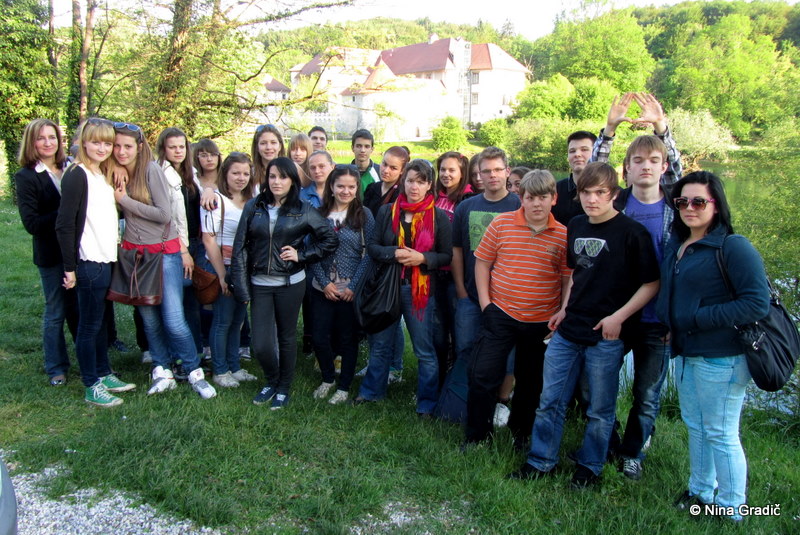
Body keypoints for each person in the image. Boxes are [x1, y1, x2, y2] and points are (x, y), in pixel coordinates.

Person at [509, 162, 660, 488]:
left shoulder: (632, 233)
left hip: (606, 334)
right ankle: (540, 461)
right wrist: (564, 309)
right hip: (568, 330)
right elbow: (577, 273)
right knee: (550, 401)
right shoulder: (576, 225)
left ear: (614, 194)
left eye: (600, 192)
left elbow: (651, 283)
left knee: (599, 409)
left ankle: (589, 468)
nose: (592, 199)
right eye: (586, 192)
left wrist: (618, 317)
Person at [656, 171, 768, 521]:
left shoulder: (733, 246)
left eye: (698, 201)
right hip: (687, 352)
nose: (689, 208)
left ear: (716, 205)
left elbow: (756, 303)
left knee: (720, 432)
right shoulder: (680, 243)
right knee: (696, 425)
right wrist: (673, 322)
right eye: (682, 202)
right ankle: (701, 491)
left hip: (723, 357)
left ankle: (732, 507)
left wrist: (696, 317)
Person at [592, 92, 683, 480]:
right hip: (616, 313)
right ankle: (609, 442)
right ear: (626, 169)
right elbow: (593, 176)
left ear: (663, 167)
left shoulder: (678, 206)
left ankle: (633, 454)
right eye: (638, 161)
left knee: (646, 394)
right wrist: (610, 130)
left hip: (658, 318)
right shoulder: (619, 204)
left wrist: (661, 127)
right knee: (599, 387)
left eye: (653, 160)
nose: (646, 166)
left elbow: (681, 172)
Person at [464, 170, 570, 448]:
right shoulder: (501, 224)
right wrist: (486, 304)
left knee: (531, 382)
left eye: (542, 197)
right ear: (521, 198)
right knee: (482, 375)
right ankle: (478, 436)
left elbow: (567, 278)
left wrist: (562, 311)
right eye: (530, 197)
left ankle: (521, 433)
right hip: (500, 313)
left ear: (553, 199)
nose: (536, 204)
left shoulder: (562, 235)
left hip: (541, 320)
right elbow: (482, 263)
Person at [113, 122, 216, 399]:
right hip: (135, 254)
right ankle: (162, 369)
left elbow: (164, 214)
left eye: (127, 146)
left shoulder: (151, 169)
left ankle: (193, 370)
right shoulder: (115, 170)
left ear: (140, 147)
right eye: (117, 146)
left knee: (173, 318)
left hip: (164, 252)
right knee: (149, 318)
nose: (121, 151)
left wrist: (124, 200)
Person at [229, 157, 337, 409]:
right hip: (260, 284)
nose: (277, 182)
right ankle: (272, 380)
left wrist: (302, 255)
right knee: (261, 344)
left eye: (283, 177)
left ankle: (284, 386)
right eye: (272, 176)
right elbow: (240, 247)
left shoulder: (303, 209)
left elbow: (329, 240)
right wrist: (242, 287)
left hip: (291, 283)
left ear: (292, 181)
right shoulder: (254, 206)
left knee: (287, 337)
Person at [354, 159, 453, 416]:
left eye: (421, 182)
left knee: (424, 349)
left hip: (419, 291)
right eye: (410, 181)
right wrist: (394, 253)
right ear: (403, 182)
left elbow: (446, 256)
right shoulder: (387, 211)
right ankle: (371, 391)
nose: (414, 187)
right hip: (387, 287)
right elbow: (373, 247)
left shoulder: (438, 217)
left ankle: (427, 402)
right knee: (380, 344)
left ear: (429, 185)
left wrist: (422, 258)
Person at [55, 118, 135, 406]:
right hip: (88, 260)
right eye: (96, 142)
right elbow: (64, 224)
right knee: (88, 326)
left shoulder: (100, 172)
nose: (102, 148)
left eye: (107, 143)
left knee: (100, 322)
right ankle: (92, 384)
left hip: (106, 257)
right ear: (83, 142)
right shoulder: (76, 174)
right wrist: (69, 268)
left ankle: (103, 372)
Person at [16, 119, 79, 386]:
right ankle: (56, 367)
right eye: (41, 138)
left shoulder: (71, 167)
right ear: (31, 142)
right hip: (51, 254)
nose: (48, 143)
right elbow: (32, 224)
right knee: (56, 311)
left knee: (79, 309)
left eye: (52, 137)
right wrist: (66, 210)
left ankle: (89, 362)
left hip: (79, 251)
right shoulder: (27, 176)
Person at [309, 165, 375, 404]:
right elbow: (311, 251)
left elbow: (369, 254)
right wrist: (324, 282)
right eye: (340, 186)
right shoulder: (318, 213)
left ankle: (344, 386)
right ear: (332, 187)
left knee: (348, 338)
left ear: (357, 188)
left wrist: (353, 286)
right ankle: (328, 378)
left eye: (351, 187)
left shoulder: (364, 215)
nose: (346, 191)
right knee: (319, 336)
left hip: (350, 288)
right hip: (322, 287)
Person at [452, 147, 520, 370]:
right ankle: (464, 390)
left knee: (506, 356)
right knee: (465, 349)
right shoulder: (466, 207)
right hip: (470, 296)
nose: (492, 175)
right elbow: (457, 250)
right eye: (487, 171)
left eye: (498, 170)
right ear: (479, 174)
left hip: (507, 300)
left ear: (507, 171)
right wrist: (461, 290)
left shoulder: (519, 206)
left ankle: (500, 392)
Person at [200, 152, 259, 388]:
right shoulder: (216, 200)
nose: (241, 177)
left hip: (244, 269)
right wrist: (222, 275)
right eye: (236, 172)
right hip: (223, 266)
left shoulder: (253, 199)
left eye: (245, 173)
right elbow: (209, 239)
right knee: (222, 321)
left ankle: (235, 366)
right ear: (225, 173)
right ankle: (220, 370)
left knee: (238, 321)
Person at [156, 127, 203, 364]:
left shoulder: (189, 173)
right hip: (176, 246)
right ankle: (178, 356)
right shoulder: (161, 174)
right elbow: (168, 218)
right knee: (176, 304)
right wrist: (183, 250)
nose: (178, 151)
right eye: (172, 147)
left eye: (182, 147)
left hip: (194, 242)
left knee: (191, 300)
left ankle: (194, 352)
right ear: (163, 149)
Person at [433, 151, 473, 383]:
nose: (446, 174)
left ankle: (457, 384)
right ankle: (439, 380)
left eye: (452, 170)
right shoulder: (434, 196)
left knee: (460, 333)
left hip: (457, 276)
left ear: (462, 172)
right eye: (443, 170)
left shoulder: (468, 199)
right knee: (438, 332)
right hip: (434, 273)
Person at [551, 131, 597, 226]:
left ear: (595, 153)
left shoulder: (609, 192)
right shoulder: (555, 190)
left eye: (584, 149)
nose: (577, 154)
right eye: (572, 151)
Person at [363, 146, 409, 217]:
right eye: (384, 164)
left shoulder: (403, 195)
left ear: (402, 170)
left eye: (393, 168)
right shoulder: (372, 188)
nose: (386, 171)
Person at [351, 129, 380, 195]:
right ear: (352, 148)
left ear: (372, 149)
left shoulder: (380, 172)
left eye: (367, 146)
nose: (362, 150)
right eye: (359, 146)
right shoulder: (345, 171)